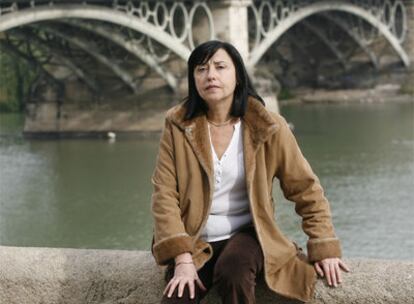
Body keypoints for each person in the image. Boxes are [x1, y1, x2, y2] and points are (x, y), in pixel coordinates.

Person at [150, 40, 349, 303]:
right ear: (193, 79)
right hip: (194, 240)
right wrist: (182, 258)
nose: (210, 75)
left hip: (249, 233)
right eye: (201, 69)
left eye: (220, 67)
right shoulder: (177, 125)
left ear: (238, 76)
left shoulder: (268, 126)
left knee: (234, 271)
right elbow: (164, 195)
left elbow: (305, 188)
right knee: (177, 298)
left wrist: (323, 245)